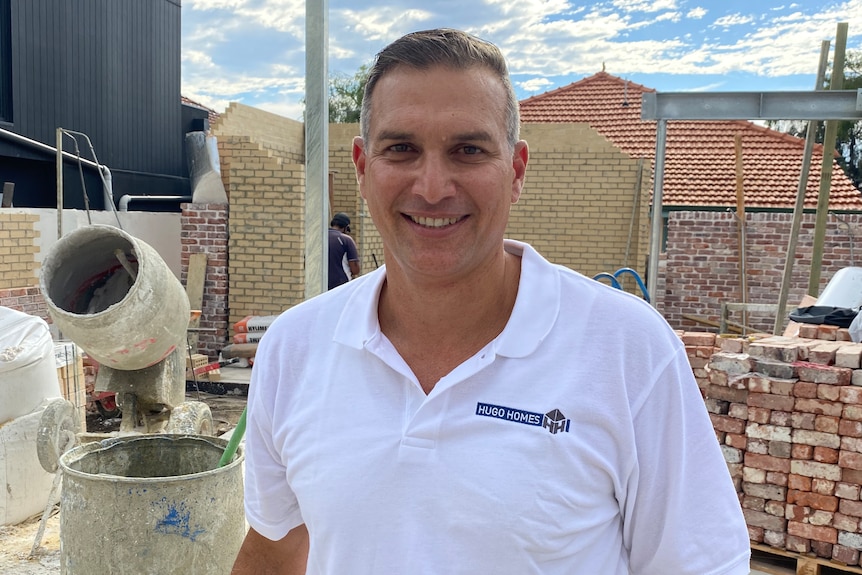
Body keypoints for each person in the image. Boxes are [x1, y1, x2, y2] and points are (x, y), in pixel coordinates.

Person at [232, 28, 750, 575]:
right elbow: (276, 548)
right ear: (363, 168)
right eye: (402, 149)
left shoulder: (628, 351)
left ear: (516, 171)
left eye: (468, 150)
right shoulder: (293, 349)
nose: (432, 188)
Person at [327, 212, 360, 290]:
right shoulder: (346, 240)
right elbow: (355, 269)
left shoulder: (320, 237)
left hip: (320, 284)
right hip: (341, 284)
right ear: (346, 227)